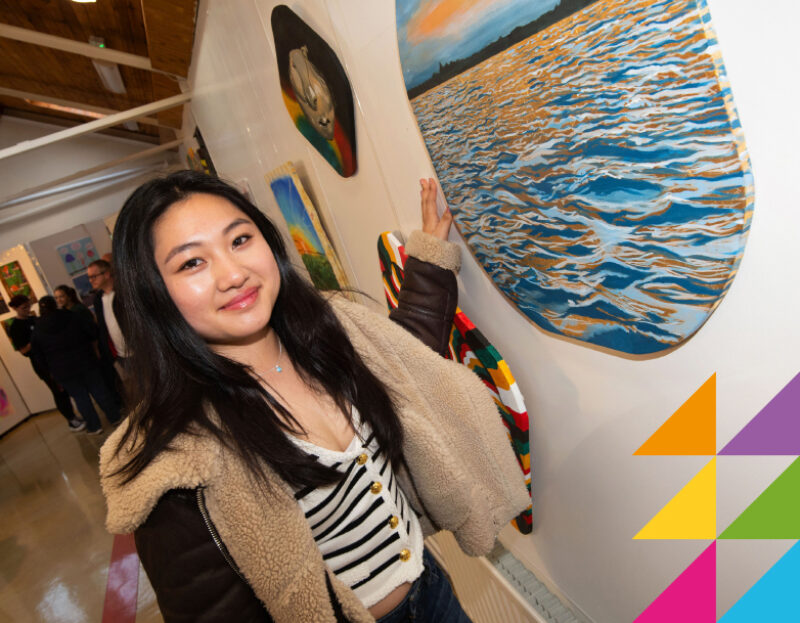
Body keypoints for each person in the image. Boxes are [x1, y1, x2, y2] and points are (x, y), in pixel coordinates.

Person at [99, 171, 528, 623]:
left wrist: (430, 260)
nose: (233, 273)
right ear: (151, 292)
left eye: (240, 239)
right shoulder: (177, 462)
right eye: (191, 263)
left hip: (432, 592)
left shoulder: (332, 333)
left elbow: (404, 359)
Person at [30, 296, 122, 435]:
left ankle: (94, 426)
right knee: (100, 391)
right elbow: (91, 331)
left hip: (62, 370)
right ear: (54, 304)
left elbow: (38, 355)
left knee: (80, 398)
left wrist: (50, 370)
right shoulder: (71, 316)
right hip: (85, 360)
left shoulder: (38, 329)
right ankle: (115, 418)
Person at [7, 294, 84, 432]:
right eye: (24, 307)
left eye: (29, 306)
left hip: (52, 359)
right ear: (16, 308)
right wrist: (36, 339)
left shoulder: (34, 319)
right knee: (58, 391)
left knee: (66, 389)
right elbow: (23, 350)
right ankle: (71, 419)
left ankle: (74, 415)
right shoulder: (15, 328)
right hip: (41, 364)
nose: (28, 309)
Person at [86, 258, 128, 376]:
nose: (91, 280)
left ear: (107, 274)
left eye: (94, 276)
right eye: (89, 277)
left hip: (142, 349)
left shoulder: (124, 291)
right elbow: (103, 327)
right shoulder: (98, 299)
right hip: (121, 355)